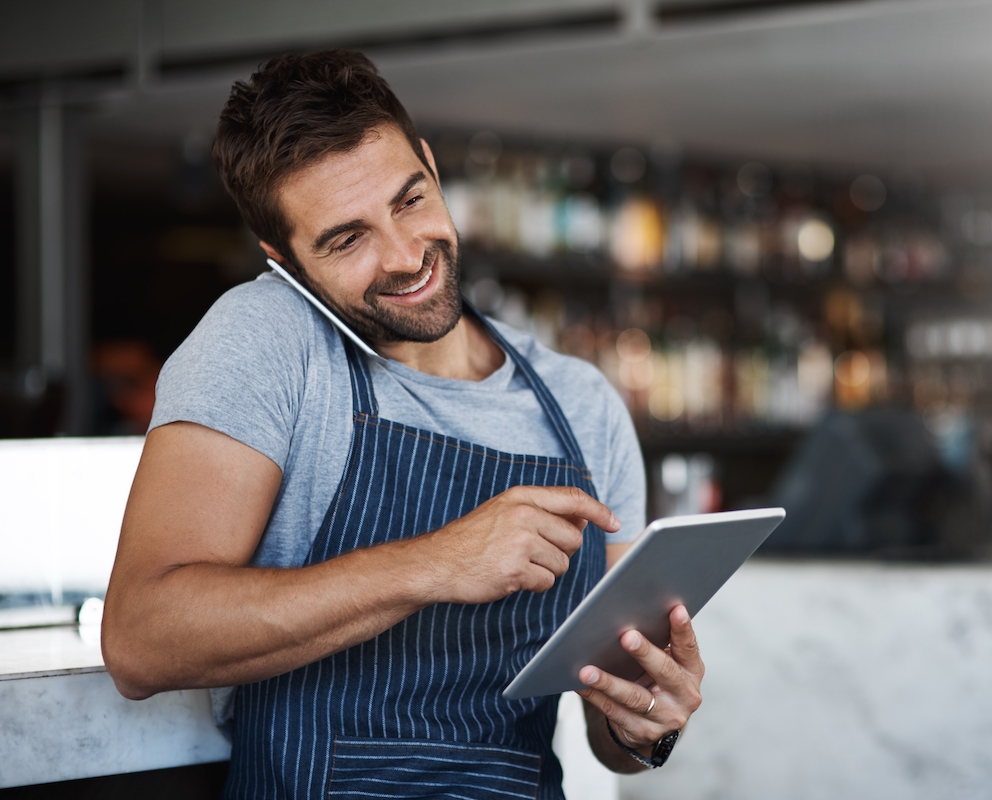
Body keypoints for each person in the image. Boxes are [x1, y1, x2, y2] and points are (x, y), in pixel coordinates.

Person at [101, 50, 704, 799]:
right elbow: (140, 638)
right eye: (346, 239)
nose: (406, 254)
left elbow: (609, 738)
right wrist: (436, 563)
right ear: (282, 261)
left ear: (429, 164)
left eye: (409, 199)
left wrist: (644, 724)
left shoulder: (583, 406)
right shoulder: (265, 341)